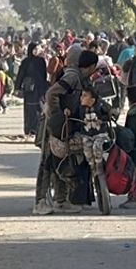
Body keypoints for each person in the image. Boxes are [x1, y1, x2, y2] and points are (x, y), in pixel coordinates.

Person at [34, 50, 100, 215]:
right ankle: (40, 202)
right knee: (47, 163)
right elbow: (52, 93)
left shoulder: (81, 79)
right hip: (55, 126)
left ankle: (61, 200)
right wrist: (57, 116)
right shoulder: (72, 77)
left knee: (62, 161)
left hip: (67, 126)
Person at [15, 42, 48, 137]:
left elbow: (44, 75)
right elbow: (20, 75)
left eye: (38, 49)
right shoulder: (25, 62)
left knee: (39, 108)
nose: (37, 50)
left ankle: (38, 129)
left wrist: (45, 88)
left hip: (40, 88)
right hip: (29, 90)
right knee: (29, 109)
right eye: (35, 49)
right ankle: (29, 128)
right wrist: (17, 87)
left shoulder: (41, 61)